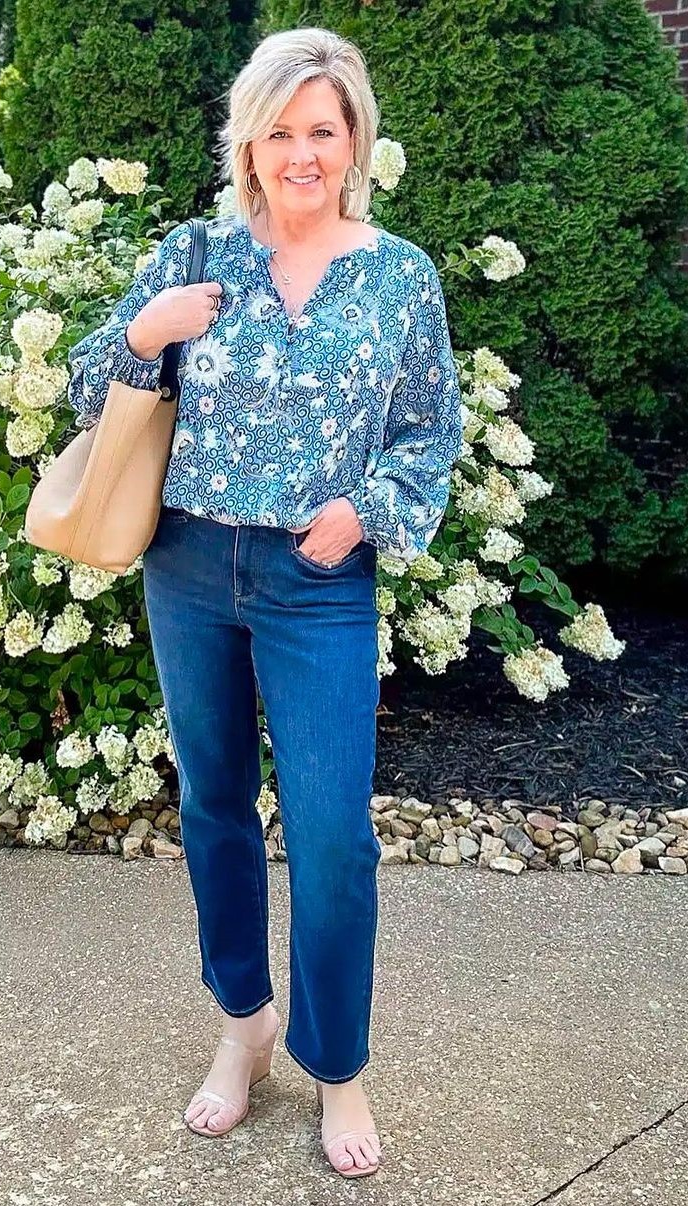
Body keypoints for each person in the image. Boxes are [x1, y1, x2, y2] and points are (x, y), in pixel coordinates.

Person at [66, 25, 463, 1180]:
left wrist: (367, 511)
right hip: (189, 565)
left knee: (335, 836)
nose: (301, 152)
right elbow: (89, 382)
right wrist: (148, 330)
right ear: (251, 138)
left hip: (317, 580)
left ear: (354, 143)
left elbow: (430, 429)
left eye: (322, 130)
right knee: (216, 806)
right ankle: (244, 1027)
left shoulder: (399, 274)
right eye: (281, 129)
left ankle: (339, 1066)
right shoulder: (198, 250)